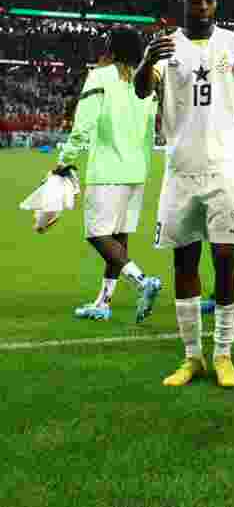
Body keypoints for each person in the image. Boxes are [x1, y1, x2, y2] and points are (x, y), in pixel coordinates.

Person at [135, 0, 234, 389]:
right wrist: (148, 60)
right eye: (194, 1)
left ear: (217, 5)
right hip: (180, 168)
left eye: (208, 1)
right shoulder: (166, 47)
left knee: (225, 259)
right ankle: (192, 357)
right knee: (183, 261)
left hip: (225, 168)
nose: (201, 7)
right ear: (182, 3)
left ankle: (223, 354)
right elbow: (140, 92)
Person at [57, 26, 162, 322]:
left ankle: (143, 282)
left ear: (111, 49)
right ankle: (103, 302)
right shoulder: (148, 81)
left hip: (107, 169)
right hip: (137, 171)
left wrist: (65, 160)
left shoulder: (100, 76)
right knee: (119, 238)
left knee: (97, 234)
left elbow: (83, 125)